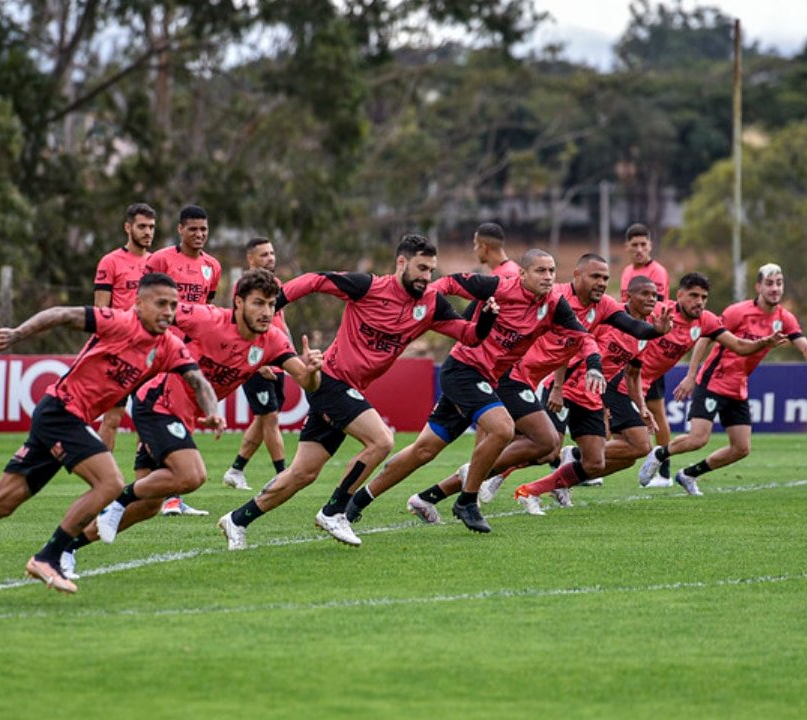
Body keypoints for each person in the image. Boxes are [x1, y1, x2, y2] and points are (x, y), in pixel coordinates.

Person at [0, 273, 219, 598]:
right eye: (160, 303)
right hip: (61, 412)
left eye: (173, 305)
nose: (168, 311)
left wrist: (212, 411)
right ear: (138, 303)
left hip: (65, 419)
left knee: (0, 503)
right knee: (109, 482)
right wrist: (17, 333)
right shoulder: (119, 323)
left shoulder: (169, 346)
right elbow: (61, 314)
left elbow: (198, 382)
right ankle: (49, 557)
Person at [217, 234, 499, 550]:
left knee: (302, 474)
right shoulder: (368, 287)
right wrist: (275, 305)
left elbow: (469, 336)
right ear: (401, 262)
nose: (426, 277)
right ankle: (335, 511)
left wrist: (486, 319)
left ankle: (237, 519)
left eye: (431, 270)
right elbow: (314, 280)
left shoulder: (431, 305)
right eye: (421, 268)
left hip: (348, 388)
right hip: (330, 381)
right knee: (381, 440)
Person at [73, 269, 321, 569]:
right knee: (191, 476)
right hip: (157, 402)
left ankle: (66, 548)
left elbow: (306, 382)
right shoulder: (207, 319)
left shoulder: (273, 341)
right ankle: (117, 499)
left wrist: (312, 369)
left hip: (184, 416)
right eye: (258, 303)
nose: (267, 312)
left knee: (149, 505)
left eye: (271, 304)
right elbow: (151, 315)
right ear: (238, 302)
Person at [346, 248, 601, 534]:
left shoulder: (554, 303)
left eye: (552, 271)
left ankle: (359, 499)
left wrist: (593, 364)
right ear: (523, 274)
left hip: (494, 376)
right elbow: (451, 282)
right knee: (500, 429)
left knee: (427, 449)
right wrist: (421, 298)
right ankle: (467, 499)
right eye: (540, 271)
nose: (548, 277)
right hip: (464, 370)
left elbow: (583, 337)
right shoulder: (499, 287)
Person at [638, 263, 807, 495]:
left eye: (779, 283)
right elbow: (706, 337)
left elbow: (802, 342)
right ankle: (660, 453)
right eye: (769, 283)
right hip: (714, 381)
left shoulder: (784, 318)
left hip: (738, 387)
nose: (775, 288)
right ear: (758, 286)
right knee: (698, 439)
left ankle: (689, 474)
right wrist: (691, 375)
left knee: (741, 448)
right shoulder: (738, 312)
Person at [512, 275, 669, 514]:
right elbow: (571, 345)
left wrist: (642, 407)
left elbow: (633, 373)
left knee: (604, 460)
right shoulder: (607, 319)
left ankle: (532, 488)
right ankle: (482, 474)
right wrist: (557, 386)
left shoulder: (643, 334)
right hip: (568, 388)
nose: (651, 299)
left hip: (593, 396)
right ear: (628, 296)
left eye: (654, 295)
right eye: (645, 294)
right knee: (545, 448)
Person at [144, 204, 222, 516]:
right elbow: (145, 298)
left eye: (204, 229)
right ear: (180, 230)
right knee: (164, 410)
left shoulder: (212, 266)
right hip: (160, 347)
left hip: (192, 352)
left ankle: (163, 492)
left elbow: (208, 308)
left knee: (181, 412)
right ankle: (168, 494)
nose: (199, 235)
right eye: (193, 229)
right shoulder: (160, 259)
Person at [222, 238, 293, 491]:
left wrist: (290, 355)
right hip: (255, 362)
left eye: (272, 253)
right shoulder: (243, 287)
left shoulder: (277, 285)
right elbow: (239, 328)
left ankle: (236, 470)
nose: (270, 258)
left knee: (264, 419)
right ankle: (283, 475)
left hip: (276, 360)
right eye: (264, 254)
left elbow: (281, 323)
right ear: (250, 259)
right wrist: (257, 363)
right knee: (269, 417)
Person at [92, 202, 156, 453]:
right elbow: (101, 312)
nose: (148, 232)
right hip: (120, 351)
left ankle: (147, 481)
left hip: (150, 353)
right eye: (142, 226)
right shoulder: (110, 262)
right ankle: (102, 477)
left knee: (148, 419)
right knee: (113, 417)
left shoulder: (157, 262)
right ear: (128, 228)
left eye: (151, 227)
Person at [619, 223, 674, 481]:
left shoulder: (657, 272)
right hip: (626, 348)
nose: (639, 249)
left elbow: (656, 311)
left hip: (648, 352)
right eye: (635, 245)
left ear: (650, 245)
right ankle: (590, 462)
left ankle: (663, 468)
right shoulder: (627, 272)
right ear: (627, 247)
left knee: (656, 410)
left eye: (644, 244)